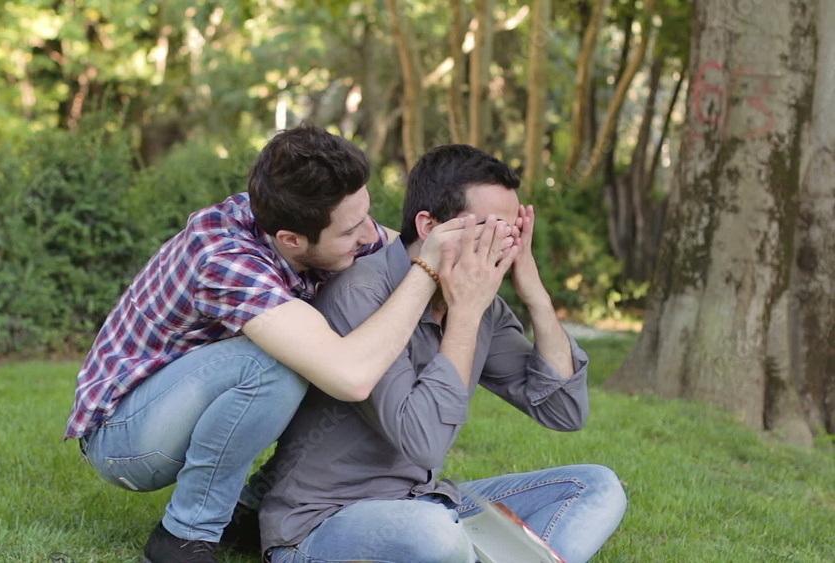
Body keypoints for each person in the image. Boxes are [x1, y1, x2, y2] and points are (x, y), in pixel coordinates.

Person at [63, 127, 515, 563]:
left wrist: (465, 255)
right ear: (291, 241)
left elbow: (401, 250)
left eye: (366, 216)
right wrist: (427, 271)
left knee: (319, 340)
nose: (367, 236)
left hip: (191, 405)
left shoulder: (311, 216)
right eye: (350, 231)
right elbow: (352, 377)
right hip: (126, 437)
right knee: (274, 366)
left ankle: (249, 509)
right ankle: (184, 535)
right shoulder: (224, 257)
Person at [253, 144, 628, 563]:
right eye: (489, 228)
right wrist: (465, 314)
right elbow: (424, 443)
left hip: (426, 502)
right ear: (430, 226)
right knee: (434, 534)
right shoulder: (360, 293)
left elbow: (564, 411)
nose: (503, 244)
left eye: (512, 231)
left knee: (597, 486)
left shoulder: (483, 305)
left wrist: (535, 294)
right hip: (325, 522)